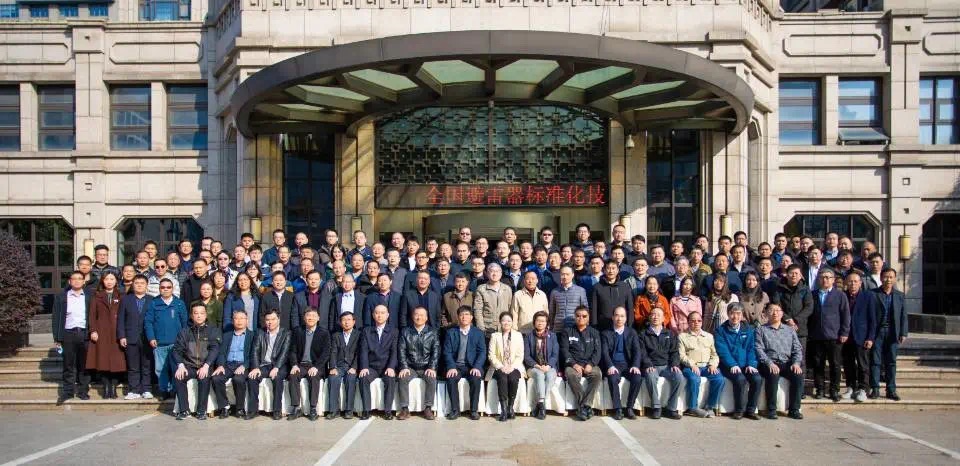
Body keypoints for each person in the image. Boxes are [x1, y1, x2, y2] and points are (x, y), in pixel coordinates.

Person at [171, 302, 221, 420]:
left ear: (206, 315)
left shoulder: (212, 330)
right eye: (196, 313)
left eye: (202, 313)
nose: (199, 316)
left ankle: (201, 411)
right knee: (179, 377)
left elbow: (214, 349)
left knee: (204, 378)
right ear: (191, 315)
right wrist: (180, 365)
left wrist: (206, 365)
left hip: (205, 366)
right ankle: (184, 410)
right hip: (189, 366)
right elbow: (177, 350)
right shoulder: (185, 332)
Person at [756, 303, 805, 420]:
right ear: (766, 313)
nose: (775, 313)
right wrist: (769, 363)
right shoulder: (761, 330)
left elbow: (797, 349)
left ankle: (794, 410)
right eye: (771, 310)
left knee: (798, 376)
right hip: (769, 362)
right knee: (773, 375)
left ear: (782, 314)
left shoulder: (790, 330)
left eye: (778, 310)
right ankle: (771, 410)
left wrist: (796, 363)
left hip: (787, 362)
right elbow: (758, 349)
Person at [53, 271, 95, 404]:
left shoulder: (90, 296)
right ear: (69, 281)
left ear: (84, 281)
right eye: (74, 279)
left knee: (84, 365)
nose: (77, 281)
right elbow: (56, 318)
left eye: (79, 279)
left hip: (85, 333)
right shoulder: (62, 296)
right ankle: (68, 391)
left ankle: (83, 391)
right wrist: (57, 338)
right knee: (68, 364)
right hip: (68, 334)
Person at [714, 303, 762, 420]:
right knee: (740, 379)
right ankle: (739, 410)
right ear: (728, 314)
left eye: (738, 314)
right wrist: (732, 364)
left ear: (742, 315)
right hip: (728, 365)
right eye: (732, 313)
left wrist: (751, 364)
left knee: (757, 379)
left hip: (746, 364)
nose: (735, 317)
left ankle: (751, 410)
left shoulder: (748, 330)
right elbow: (723, 351)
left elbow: (751, 349)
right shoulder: (721, 331)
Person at [808, 269, 850, 402]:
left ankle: (834, 390)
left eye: (828, 277)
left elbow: (845, 315)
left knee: (835, 365)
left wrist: (844, 332)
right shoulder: (812, 294)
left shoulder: (840, 295)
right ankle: (820, 389)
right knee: (818, 364)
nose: (825, 280)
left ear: (833, 280)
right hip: (817, 335)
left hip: (834, 336)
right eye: (822, 277)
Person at [144, 278, 188, 401]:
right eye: (163, 287)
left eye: (168, 287)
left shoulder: (179, 303)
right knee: (160, 369)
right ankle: (164, 390)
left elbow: (185, 323)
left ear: (172, 288)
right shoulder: (154, 303)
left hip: (176, 344)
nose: (165, 289)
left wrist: (184, 340)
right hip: (160, 343)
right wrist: (151, 337)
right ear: (159, 289)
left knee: (176, 368)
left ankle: (174, 390)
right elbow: (148, 322)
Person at [85, 272, 126, 399]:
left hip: (116, 332)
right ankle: (106, 387)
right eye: (106, 279)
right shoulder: (97, 296)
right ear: (102, 281)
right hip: (101, 332)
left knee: (116, 362)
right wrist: (93, 330)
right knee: (102, 361)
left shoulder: (121, 296)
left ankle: (113, 387)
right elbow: (92, 315)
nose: (109, 281)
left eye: (112, 279)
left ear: (116, 281)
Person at [246, 309, 292, 420]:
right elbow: (255, 351)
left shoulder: (286, 333)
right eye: (267, 320)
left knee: (277, 378)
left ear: (278, 319)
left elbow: (285, 352)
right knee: (252, 377)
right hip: (264, 365)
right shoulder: (260, 332)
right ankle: (253, 410)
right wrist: (256, 367)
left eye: (273, 319)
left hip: (279, 365)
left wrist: (276, 367)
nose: (270, 322)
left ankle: (277, 410)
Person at [287, 307, 331, 421]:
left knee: (314, 376)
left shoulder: (324, 333)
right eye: (308, 315)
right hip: (301, 365)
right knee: (293, 375)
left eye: (313, 316)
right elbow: (292, 350)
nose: (310, 318)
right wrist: (294, 364)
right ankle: (296, 407)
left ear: (318, 318)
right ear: (304, 318)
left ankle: (313, 408)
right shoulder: (298, 331)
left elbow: (326, 353)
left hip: (316, 365)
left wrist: (316, 367)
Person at [600, 307, 644, 420]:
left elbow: (637, 351)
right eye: (617, 315)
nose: (619, 318)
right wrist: (610, 366)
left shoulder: (632, 332)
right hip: (613, 365)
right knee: (612, 378)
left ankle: (629, 407)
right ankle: (618, 409)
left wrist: (635, 365)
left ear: (626, 318)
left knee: (637, 378)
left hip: (628, 365)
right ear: (612, 317)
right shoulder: (605, 333)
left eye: (622, 316)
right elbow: (604, 352)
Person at [678, 311, 724, 418]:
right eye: (693, 321)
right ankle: (692, 408)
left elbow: (714, 354)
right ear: (688, 322)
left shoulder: (709, 336)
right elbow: (681, 355)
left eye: (699, 321)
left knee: (719, 379)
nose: (696, 323)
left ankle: (710, 406)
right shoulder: (682, 336)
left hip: (707, 366)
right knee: (694, 379)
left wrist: (713, 365)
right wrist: (692, 365)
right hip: (690, 367)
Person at [639, 307, 683, 420]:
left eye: (659, 315)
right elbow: (642, 353)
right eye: (653, 314)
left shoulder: (670, 334)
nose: (655, 317)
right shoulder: (643, 334)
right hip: (652, 366)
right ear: (649, 317)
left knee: (679, 377)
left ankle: (671, 408)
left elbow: (674, 352)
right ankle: (656, 407)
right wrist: (648, 364)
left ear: (664, 318)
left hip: (667, 366)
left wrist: (674, 364)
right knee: (650, 376)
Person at [444, 306, 487, 420]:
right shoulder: (450, 332)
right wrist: (451, 366)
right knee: (451, 378)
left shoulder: (478, 333)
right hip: (456, 366)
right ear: (458, 317)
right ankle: (455, 410)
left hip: (472, 366)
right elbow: (447, 352)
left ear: (471, 317)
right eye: (461, 315)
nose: (464, 317)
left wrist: (477, 366)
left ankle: (473, 410)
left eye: (467, 314)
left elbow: (482, 352)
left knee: (476, 378)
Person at [871, 267, 907, 401]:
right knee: (875, 361)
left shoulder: (899, 295)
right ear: (881, 278)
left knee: (891, 361)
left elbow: (903, 315)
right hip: (877, 332)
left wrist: (903, 332)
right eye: (886, 277)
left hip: (893, 332)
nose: (888, 280)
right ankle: (875, 388)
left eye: (891, 277)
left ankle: (891, 389)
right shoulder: (873, 294)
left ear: (895, 279)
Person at [397, 306, 440, 420]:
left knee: (431, 378)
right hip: (411, 367)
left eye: (422, 315)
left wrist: (432, 367)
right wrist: (404, 367)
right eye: (416, 315)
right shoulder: (405, 331)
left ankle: (428, 408)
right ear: (412, 316)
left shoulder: (432, 332)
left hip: (426, 367)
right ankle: (405, 409)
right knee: (402, 378)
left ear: (426, 318)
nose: (419, 317)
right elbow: (401, 350)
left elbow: (436, 351)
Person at [560, 306, 602, 421]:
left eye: (584, 316)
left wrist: (591, 364)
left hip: (589, 364)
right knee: (570, 374)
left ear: (588, 318)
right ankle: (585, 407)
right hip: (573, 365)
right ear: (574, 317)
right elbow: (564, 350)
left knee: (597, 375)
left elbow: (598, 352)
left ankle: (584, 406)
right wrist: (573, 364)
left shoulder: (594, 332)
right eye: (578, 316)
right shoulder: (567, 332)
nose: (581, 318)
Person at [211, 309, 255, 419]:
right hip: (228, 364)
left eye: (242, 318)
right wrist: (220, 365)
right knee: (216, 378)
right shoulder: (227, 335)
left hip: (243, 365)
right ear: (232, 320)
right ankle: (224, 406)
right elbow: (221, 353)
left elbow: (253, 354)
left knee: (238, 379)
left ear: (247, 320)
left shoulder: (252, 335)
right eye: (236, 318)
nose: (239, 321)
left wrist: (244, 366)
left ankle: (239, 408)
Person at [359, 304, 400, 420]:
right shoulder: (367, 331)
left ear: (387, 315)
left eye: (382, 313)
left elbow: (394, 351)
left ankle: (387, 411)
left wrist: (391, 367)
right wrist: (364, 367)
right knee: (363, 378)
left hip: (386, 366)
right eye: (377, 313)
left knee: (390, 379)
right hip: (372, 367)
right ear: (373, 315)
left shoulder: (394, 331)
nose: (379, 315)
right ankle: (366, 410)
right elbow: (363, 351)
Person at [117, 274, 153, 399]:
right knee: (133, 366)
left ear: (147, 285)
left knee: (146, 365)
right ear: (133, 285)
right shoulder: (126, 300)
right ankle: (134, 390)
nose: (139, 285)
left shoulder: (152, 300)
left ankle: (146, 389)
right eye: (137, 283)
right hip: (130, 337)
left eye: (142, 283)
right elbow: (121, 319)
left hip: (147, 338)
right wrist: (122, 336)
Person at [843, 272, 876, 403]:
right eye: (850, 281)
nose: (853, 284)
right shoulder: (843, 296)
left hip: (862, 336)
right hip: (846, 337)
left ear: (860, 283)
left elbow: (872, 319)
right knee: (848, 364)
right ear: (846, 283)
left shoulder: (868, 296)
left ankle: (863, 389)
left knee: (863, 365)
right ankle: (851, 387)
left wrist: (870, 337)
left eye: (855, 281)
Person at [486, 312, 523, 422]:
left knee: (513, 378)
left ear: (512, 322)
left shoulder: (518, 335)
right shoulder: (495, 336)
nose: (506, 323)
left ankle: (510, 407)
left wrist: (512, 367)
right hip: (499, 366)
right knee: (502, 378)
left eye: (509, 321)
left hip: (514, 366)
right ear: (500, 322)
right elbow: (491, 355)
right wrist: (501, 366)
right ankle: (503, 409)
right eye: (504, 320)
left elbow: (520, 355)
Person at [523, 311, 559, 420]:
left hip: (549, 366)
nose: (540, 323)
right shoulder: (528, 337)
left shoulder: (552, 336)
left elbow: (555, 354)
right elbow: (527, 356)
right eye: (538, 320)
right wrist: (537, 366)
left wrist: (548, 366)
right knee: (539, 375)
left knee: (550, 376)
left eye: (543, 321)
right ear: (534, 322)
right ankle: (542, 406)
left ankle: (540, 404)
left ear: (547, 323)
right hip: (533, 367)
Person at [326, 312, 361, 419]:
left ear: (354, 322)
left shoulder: (359, 335)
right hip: (339, 366)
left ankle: (349, 410)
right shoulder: (336, 335)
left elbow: (360, 353)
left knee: (351, 379)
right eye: (344, 320)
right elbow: (333, 352)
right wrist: (333, 367)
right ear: (341, 323)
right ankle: (333, 410)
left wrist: (354, 367)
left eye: (349, 319)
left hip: (352, 366)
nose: (346, 322)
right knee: (333, 378)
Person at [591, 260, 635, 331]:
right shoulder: (597, 287)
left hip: (622, 326)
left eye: (613, 268)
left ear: (617, 270)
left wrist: (630, 326)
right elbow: (594, 309)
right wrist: (594, 327)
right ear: (604, 270)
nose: (611, 271)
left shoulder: (625, 286)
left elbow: (630, 308)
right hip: (603, 326)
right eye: (608, 268)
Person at [473, 263, 513, 338]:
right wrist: (481, 328)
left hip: (504, 327)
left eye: (497, 271)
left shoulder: (507, 289)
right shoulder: (481, 289)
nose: (494, 274)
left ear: (501, 274)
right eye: (491, 271)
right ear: (487, 274)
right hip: (488, 328)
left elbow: (510, 308)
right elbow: (478, 310)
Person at [548, 266, 588, 331]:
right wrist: (551, 326)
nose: (565, 277)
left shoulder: (580, 291)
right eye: (563, 274)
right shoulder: (554, 292)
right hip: (558, 327)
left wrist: (585, 326)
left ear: (572, 275)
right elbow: (552, 311)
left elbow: (585, 310)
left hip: (574, 327)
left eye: (567, 274)